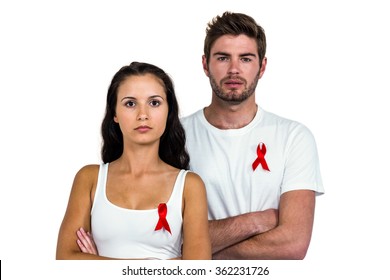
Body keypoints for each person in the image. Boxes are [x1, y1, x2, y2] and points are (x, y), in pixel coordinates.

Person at [180, 11, 325, 260]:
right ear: (205, 64)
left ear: (262, 66)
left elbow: (294, 244)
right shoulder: (175, 136)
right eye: (223, 58)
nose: (234, 69)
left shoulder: (293, 137)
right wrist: (258, 221)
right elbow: (164, 238)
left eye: (245, 59)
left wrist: (203, 250)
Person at [56, 62, 211, 260]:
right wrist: (158, 265)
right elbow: (65, 259)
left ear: (168, 111)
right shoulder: (89, 179)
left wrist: (95, 264)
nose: (143, 115)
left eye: (154, 103)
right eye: (130, 103)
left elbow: (197, 273)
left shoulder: (189, 185)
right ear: (115, 114)